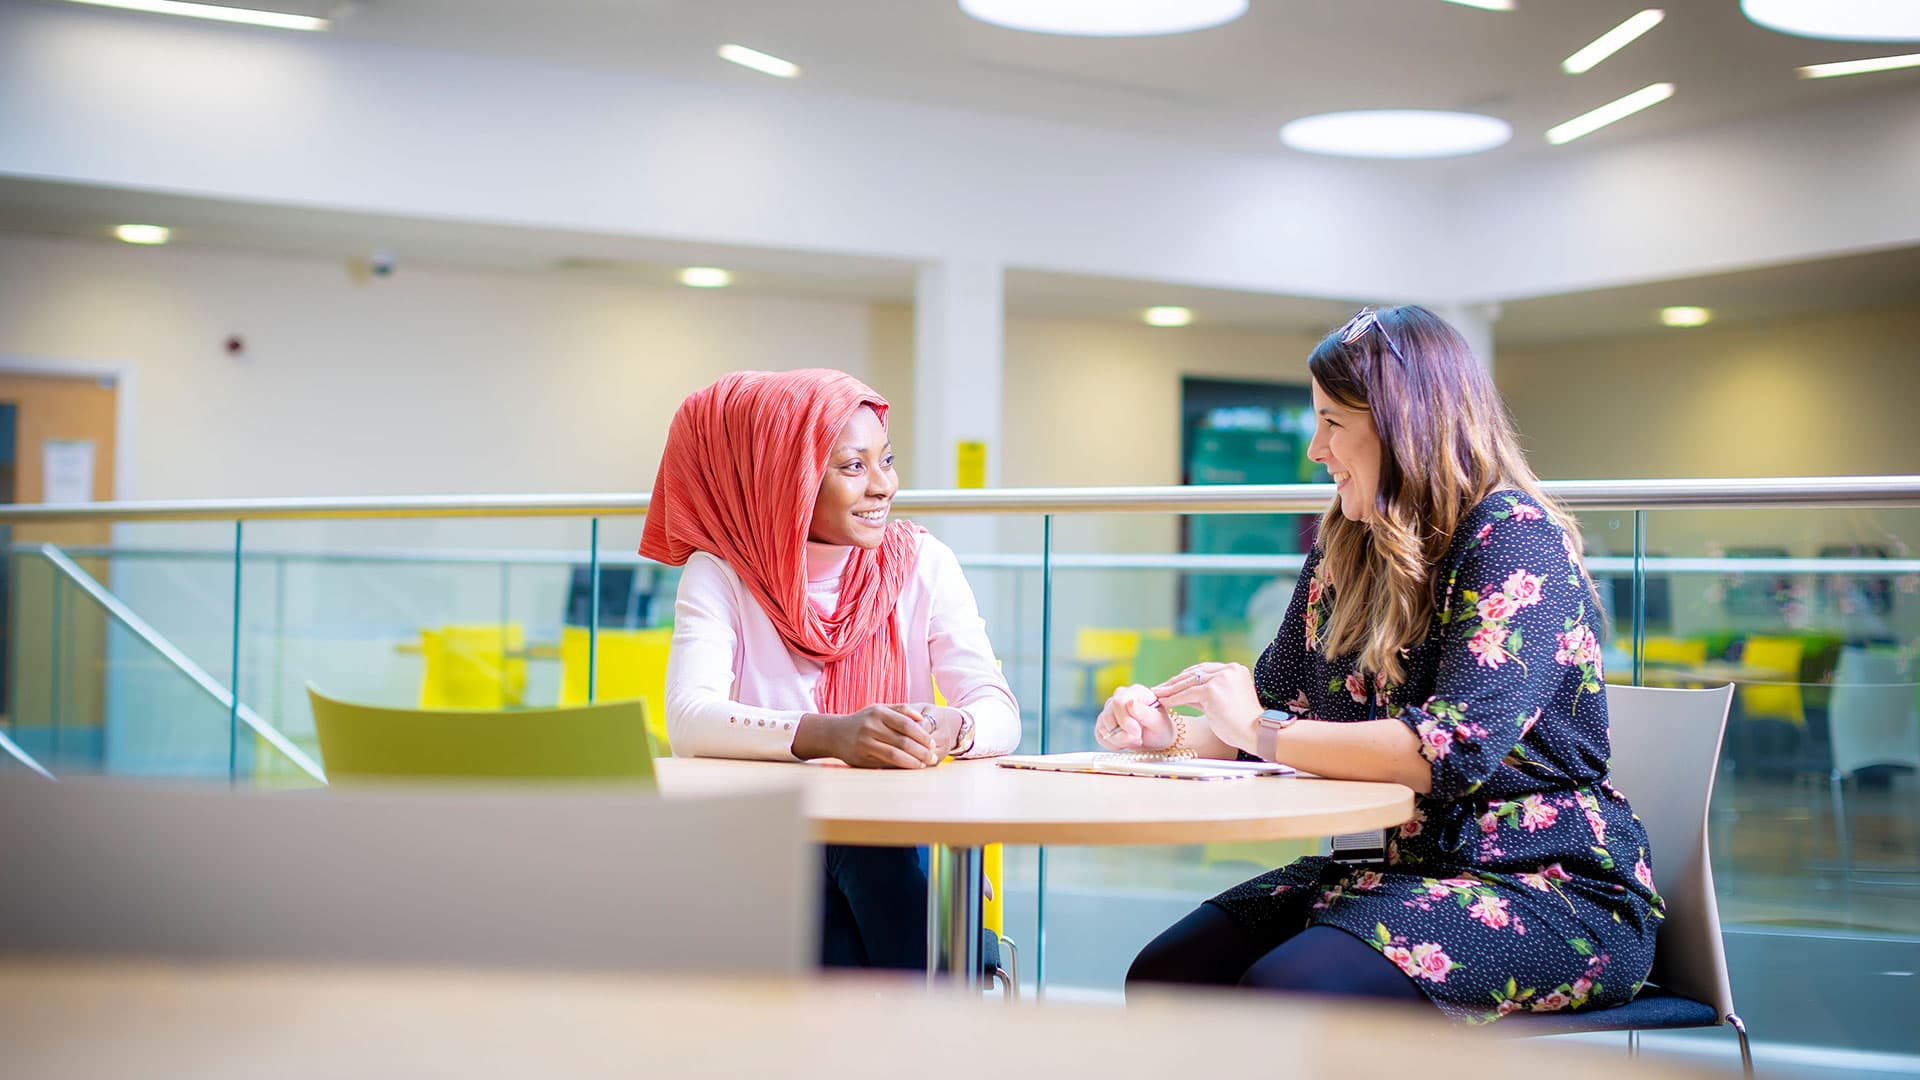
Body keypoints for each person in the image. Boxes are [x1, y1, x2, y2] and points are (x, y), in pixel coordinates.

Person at [1104, 306, 1660, 1023]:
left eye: (1332, 422)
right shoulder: (1344, 546)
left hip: (1544, 884)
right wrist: (1169, 736)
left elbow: (1451, 752)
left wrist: (1259, 729)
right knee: (1167, 977)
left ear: (1406, 427)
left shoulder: (1514, 540)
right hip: (1382, 872)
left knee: (1290, 993)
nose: (1314, 449)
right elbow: (1274, 713)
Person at [640, 368, 1020, 970]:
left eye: (886, 461)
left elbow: (999, 710)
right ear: (783, 478)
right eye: (851, 466)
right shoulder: (722, 574)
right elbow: (690, 719)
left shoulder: (923, 563)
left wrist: (953, 728)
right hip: (765, 844)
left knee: (861, 875)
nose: (883, 486)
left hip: (891, 843)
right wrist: (836, 734)